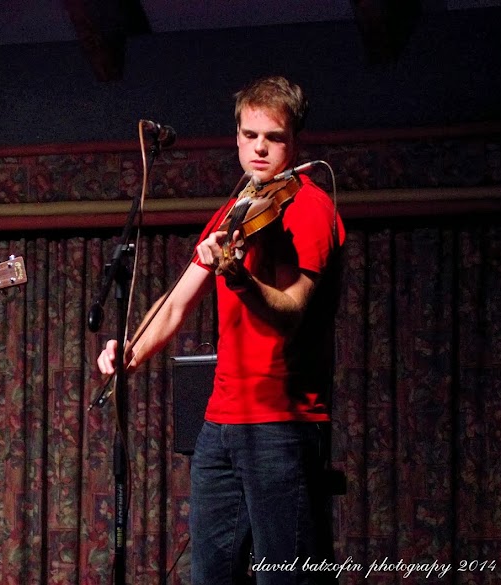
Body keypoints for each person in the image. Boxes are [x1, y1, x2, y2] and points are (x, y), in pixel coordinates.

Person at [97, 76, 345, 584]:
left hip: (282, 423)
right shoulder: (233, 212)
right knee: (210, 577)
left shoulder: (310, 208)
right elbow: (176, 302)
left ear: (295, 142)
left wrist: (241, 280)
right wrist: (132, 351)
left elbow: (292, 309)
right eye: (250, 135)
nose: (260, 148)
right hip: (220, 424)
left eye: (274, 138)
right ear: (236, 137)